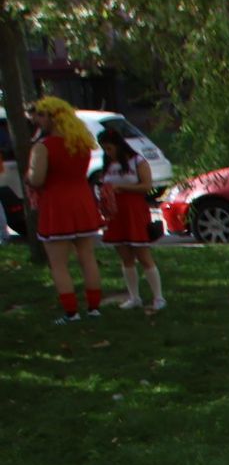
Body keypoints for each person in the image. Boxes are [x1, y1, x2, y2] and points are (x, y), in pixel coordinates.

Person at [24, 97, 103, 323]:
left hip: (56, 205)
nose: (37, 119)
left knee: (59, 263)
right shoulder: (81, 144)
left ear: (53, 116)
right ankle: (94, 308)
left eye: (41, 115)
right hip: (82, 202)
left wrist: (29, 174)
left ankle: (71, 312)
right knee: (87, 257)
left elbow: (37, 179)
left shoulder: (43, 146)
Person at [96, 126, 165, 311]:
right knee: (125, 256)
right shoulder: (108, 165)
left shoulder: (138, 161)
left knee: (142, 254)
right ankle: (134, 297)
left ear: (118, 145)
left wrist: (124, 189)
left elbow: (146, 186)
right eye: (104, 149)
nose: (107, 152)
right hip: (116, 213)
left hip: (134, 210)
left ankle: (158, 297)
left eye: (109, 148)